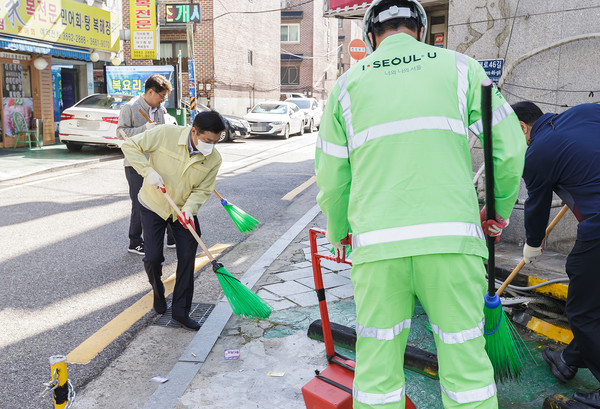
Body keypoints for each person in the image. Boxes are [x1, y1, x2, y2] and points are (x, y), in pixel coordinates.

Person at [315, 1, 526, 407]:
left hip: (377, 250)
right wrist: (498, 211)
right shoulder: (461, 68)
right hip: (451, 243)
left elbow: (332, 176)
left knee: (377, 368)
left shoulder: (346, 85)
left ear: (370, 36)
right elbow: (509, 148)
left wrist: (339, 229)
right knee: (465, 362)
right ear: (422, 31)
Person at [512, 101, 600, 408]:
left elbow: (536, 206)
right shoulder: (586, 112)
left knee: (583, 311)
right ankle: (568, 359)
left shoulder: (537, 153)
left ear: (523, 128)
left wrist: (532, 244)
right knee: (592, 300)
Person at [121, 110, 225, 330]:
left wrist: (189, 209)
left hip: (183, 211)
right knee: (152, 258)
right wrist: (147, 171)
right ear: (194, 131)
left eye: (216, 142)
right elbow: (129, 146)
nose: (211, 146)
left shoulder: (214, 159)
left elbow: (203, 189)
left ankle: (181, 312)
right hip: (153, 204)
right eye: (207, 140)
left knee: (187, 259)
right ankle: (158, 292)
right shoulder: (165, 134)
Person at [117, 74, 176, 255]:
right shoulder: (130, 107)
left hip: (157, 161)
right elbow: (121, 133)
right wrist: (145, 129)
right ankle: (135, 242)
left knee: (166, 196)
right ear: (150, 92)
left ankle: (172, 237)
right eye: (161, 96)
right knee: (140, 202)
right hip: (135, 164)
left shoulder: (159, 109)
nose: (163, 100)